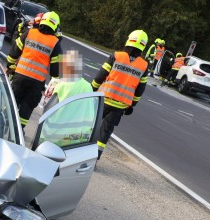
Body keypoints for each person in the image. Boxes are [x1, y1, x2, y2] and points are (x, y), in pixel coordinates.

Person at [91, 29, 149, 160]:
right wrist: (132, 105)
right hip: (120, 105)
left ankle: (77, 153)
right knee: (105, 133)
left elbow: (101, 75)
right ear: (143, 46)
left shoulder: (116, 56)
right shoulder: (144, 66)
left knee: (90, 125)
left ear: (129, 41)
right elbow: (140, 89)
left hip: (103, 99)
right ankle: (93, 159)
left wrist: (92, 89)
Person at [6, 11, 63, 129]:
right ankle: (19, 131)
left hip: (19, 78)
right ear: (55, 26)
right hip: (36, 84)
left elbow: (13, 53)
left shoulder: (29, 33)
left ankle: (4, 125)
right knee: (27, 108)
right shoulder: (55, 43)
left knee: (11, 104)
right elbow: (55, 71)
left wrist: (11, 69)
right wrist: (54, 84)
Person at [39, 50, 96, 147]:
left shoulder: (61, 86)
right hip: (80, 137)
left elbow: (47, 111)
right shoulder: (88, 86)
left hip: (56, 137)